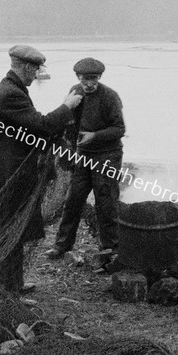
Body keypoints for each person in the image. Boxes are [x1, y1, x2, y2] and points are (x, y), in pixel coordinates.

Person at [0, 45, 83, 294]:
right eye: (35, 69)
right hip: (6, 177)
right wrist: (67, 106)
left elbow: (28, 131)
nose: (36, 74)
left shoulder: (11, 89)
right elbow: (41, 125)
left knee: (14, 233)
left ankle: (14, 285)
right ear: (26, 67)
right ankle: (7, 290)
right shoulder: (10, 94)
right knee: (8, 233)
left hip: (7, 174)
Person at [44, 58, 126, 262]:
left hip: (107, 155)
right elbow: (68, 123)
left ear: (99, 77)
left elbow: (119, 129)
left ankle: (111, 249)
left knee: (105, 202)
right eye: (85, 79)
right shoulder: (75, 93)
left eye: (93, 79)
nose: (89, 83)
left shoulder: (110, 97)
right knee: (73, 200)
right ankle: (61, 246)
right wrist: (68, 150)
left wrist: (95, 136)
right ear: (77, 77)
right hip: (82, 155)